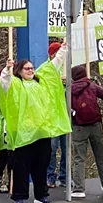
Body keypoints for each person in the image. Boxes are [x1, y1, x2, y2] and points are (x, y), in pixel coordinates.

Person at [0, 45, 71, 203]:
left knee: (41, 166)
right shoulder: (16, 84)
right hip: (23, 134)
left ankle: (41, 195)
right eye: (26, 68)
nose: (30, 71)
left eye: (31, 68)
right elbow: (5, 83)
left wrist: (63, 50)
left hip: (41, 132)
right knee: (21, 167)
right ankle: (19, 196)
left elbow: (53, 66)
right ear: (19, 70)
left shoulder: (41, 82)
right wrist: (6, 70)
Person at [70, 65, 103, 198]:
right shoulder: (92, 86)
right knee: (101, 157)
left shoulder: (69, 90)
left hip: (78, 126)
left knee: (79, 159)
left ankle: (79, 189)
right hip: (95, 125)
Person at [46, 42, 68, 188]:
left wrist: (69, 83)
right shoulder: (47, 69)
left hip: (65, 115)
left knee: (66, 148)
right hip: (52, 115)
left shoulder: (68, 68)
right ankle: (50, 176)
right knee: (52, 148)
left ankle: (65, 176)